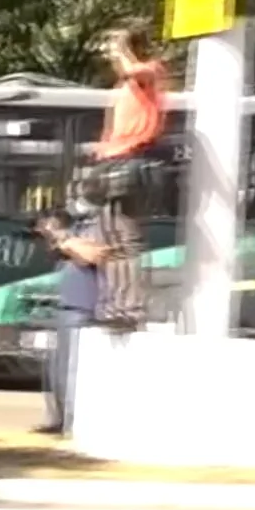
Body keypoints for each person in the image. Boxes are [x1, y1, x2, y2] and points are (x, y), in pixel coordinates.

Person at [90, 23, 168, 329]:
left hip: (131, 161)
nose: (110, 58)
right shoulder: (123, 90)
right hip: (114, 163)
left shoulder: (148, 73)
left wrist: (120, 48)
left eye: (114, 52)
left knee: (126, 240)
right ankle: (115, 304)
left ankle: (129, 307)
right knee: (111, 238)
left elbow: (132, 72)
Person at [34, 172, 111, 435]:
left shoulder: (102, 226)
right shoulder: (79, 226)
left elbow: (90, 256)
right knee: (56, 370)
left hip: (82, 307)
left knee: (72, 370)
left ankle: (71, 423)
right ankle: (58, 419)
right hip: (66, 305)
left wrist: (62, 238)